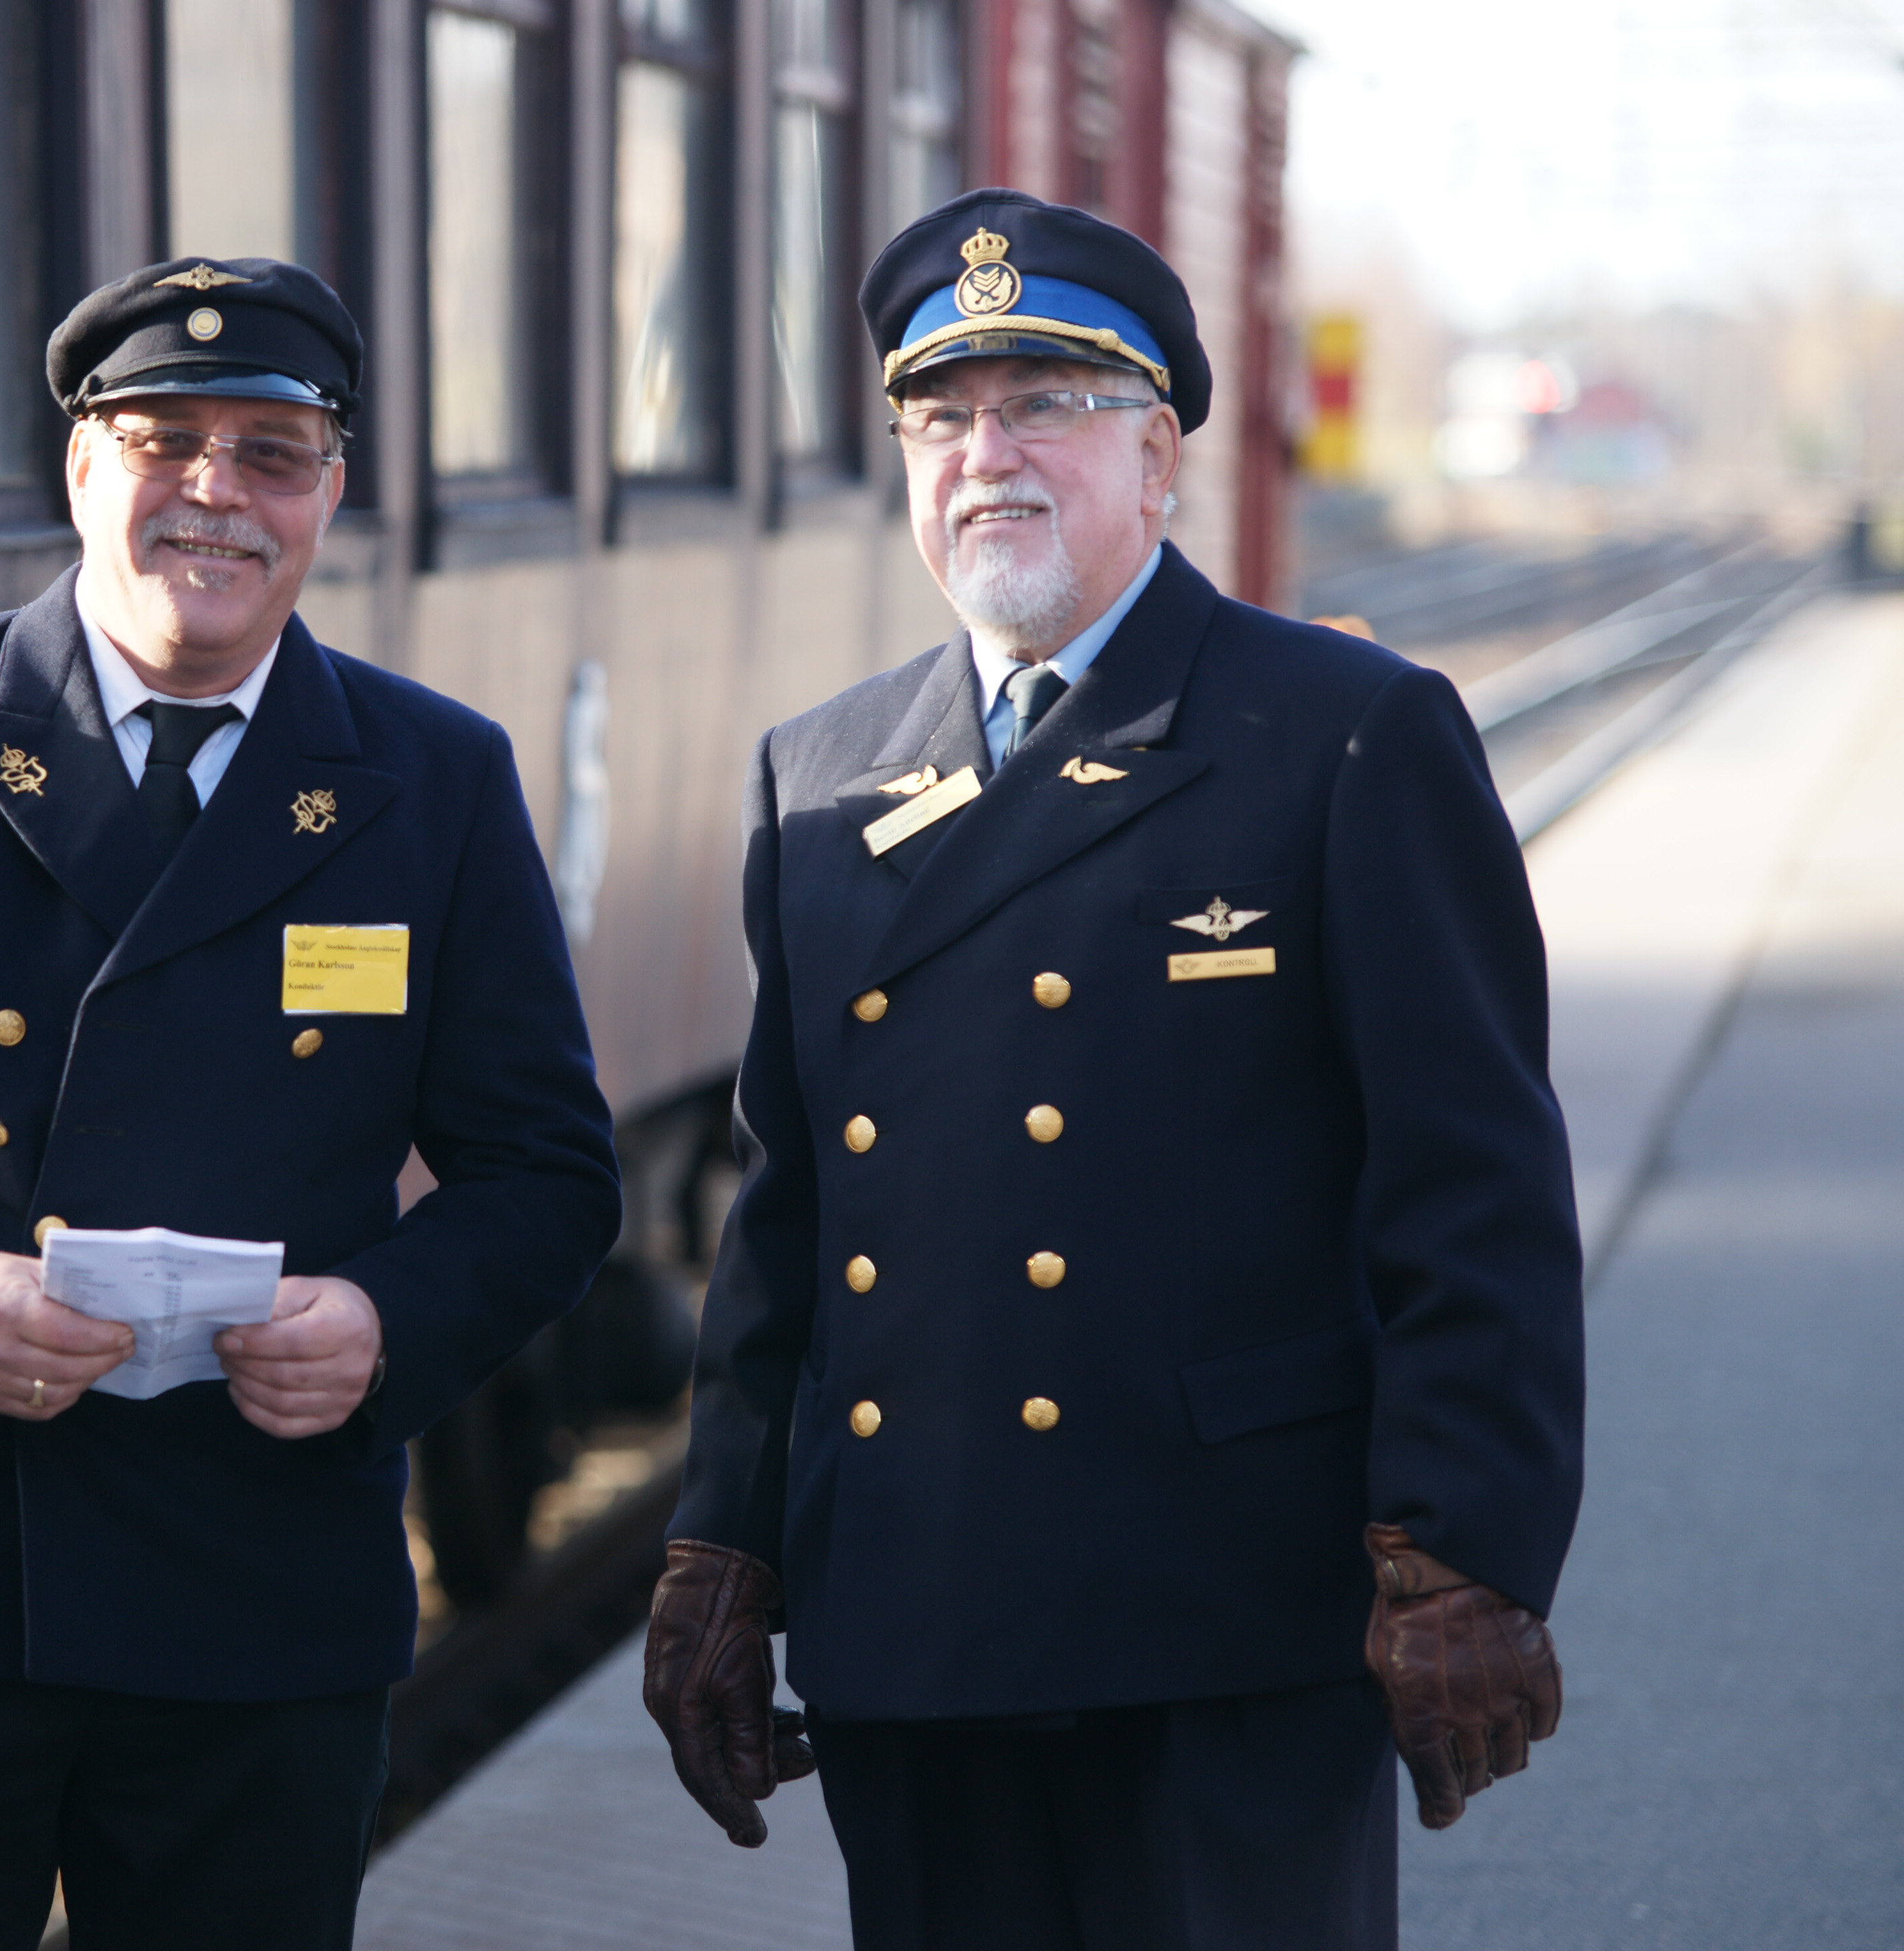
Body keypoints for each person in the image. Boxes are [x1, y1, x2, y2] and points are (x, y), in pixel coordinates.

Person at [0, 257, 620, 1951]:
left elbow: (546, 1172)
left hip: (260, 1594)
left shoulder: (431, 777)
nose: (217, 494)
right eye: (166, 440)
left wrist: (381, 1322)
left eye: (272, 451)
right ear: (81, 466)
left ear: (329, 491)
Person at [642, 187, 1583, 1946]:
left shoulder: (1339, 736)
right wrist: (724, 1546)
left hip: (1222, 1613)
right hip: (914, 1622)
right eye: (943, 416)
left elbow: (1472, 1188)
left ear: (1161, 459)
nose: (987, 454)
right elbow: (790, 1216)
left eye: (1047, 408)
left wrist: (1466, 1550)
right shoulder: (823, 777)